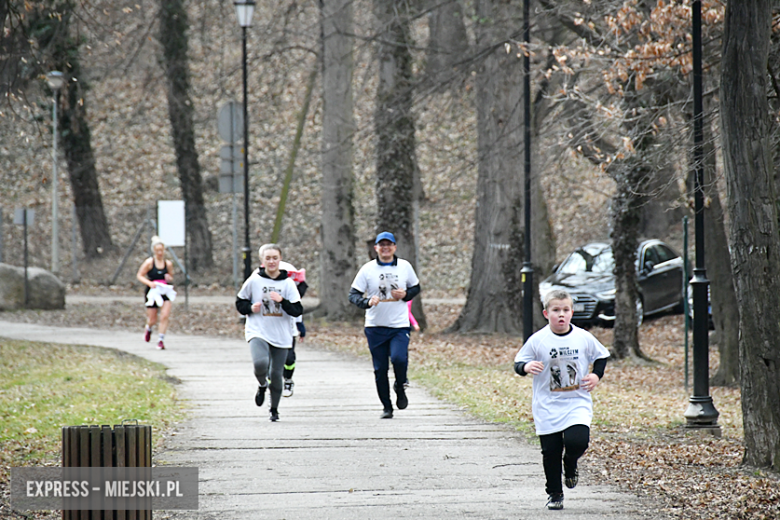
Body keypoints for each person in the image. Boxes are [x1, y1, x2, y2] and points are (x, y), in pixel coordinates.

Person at [513, 288, 609, 511]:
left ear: (572, 312)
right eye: (556, 310)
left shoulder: (583, 337)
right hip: (547, 404)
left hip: (576, 401)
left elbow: (602, 356)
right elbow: (518, 363)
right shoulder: (538, 340)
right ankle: (555, 493)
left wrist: (596, 375)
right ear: (547, 314)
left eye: (565, 310)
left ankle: (571, 461)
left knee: (578, 441)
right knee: (551, 451)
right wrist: (526, 367)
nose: (561, 315)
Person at [349, 231, 421, 419]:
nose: (385, 248)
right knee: (380, 369)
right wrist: (367, 302)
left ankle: (400, 384)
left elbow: (416, 287)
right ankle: (387, 407)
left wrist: (405, 295)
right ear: (376, 248)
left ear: (395, 247)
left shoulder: (404, 266)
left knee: (399, 358)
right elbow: (353, 295)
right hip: (375, 326)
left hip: (399, 325)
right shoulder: (367, 269)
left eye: (389, 244)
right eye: (382, 245)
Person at [236, 244, 302, 422]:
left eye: (275, 258)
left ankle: (274, 409)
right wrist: (250, 307)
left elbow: (297, 309)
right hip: (258, 329)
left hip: (281, 333)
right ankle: (262, 384)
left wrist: (283, 301)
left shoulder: (287, 283)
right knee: (260, 364)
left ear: (280, 260)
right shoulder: (254, 280)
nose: (271, 261)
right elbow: (240, 303)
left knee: (276, 373)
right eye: (268, 258)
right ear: (262, 261)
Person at [136, 235, 175, 350]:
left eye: (161, 250)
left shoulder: (168, 264)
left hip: (164, 290)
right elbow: (139, 275)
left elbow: (171, 276)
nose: (160, 253)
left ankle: (161, 340)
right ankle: (149, 328)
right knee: (153, 319)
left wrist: (169, 278)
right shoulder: (149, 263)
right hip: (153, 291)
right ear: (154, 251)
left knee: (165, 315)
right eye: (157, 250)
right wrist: (149, 283)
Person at [278, 260, 308, 398]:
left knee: (289, 357)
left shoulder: (289, 270)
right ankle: (270, 381)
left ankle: (288, 379)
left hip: (289, 326)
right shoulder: (258, 275)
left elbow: (297, 305)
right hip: (268, 326)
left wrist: (300, 326)